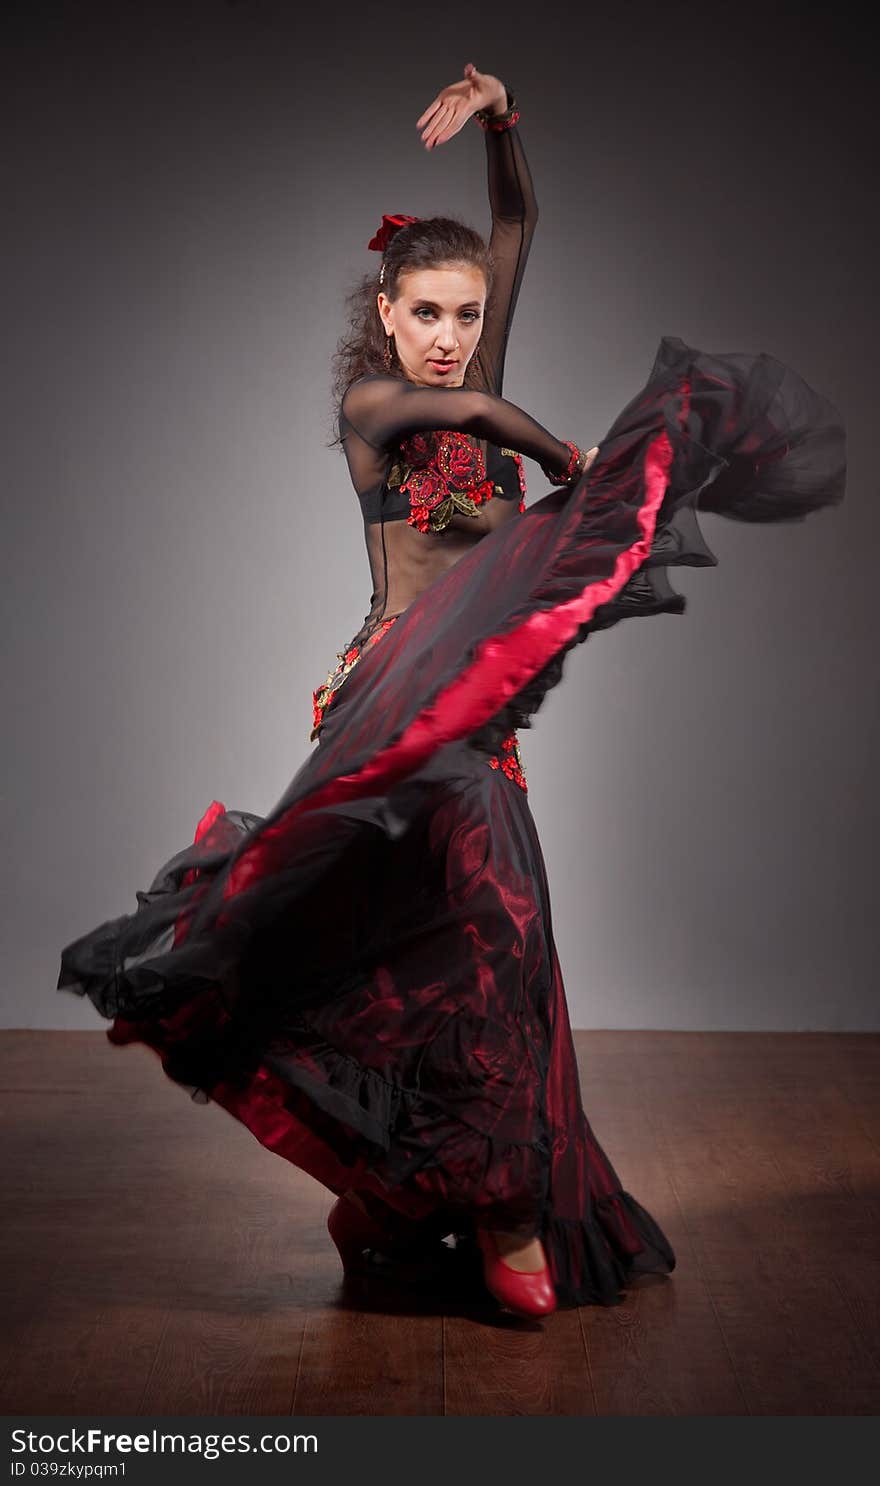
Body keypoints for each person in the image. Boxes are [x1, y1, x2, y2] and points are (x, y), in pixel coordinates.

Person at [57, 65, 846, 1320]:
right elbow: (475, 403)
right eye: (425, 309)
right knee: (459, 943)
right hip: (386, 703)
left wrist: (505, 118)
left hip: (478, 719)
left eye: (466, 313)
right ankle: (501, 1211)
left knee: (480, 959)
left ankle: (397, 1197)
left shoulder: (477, 349)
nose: (449, 333)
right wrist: (565, 455)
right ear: (387, 309)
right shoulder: (374, 403)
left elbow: (519, 227)